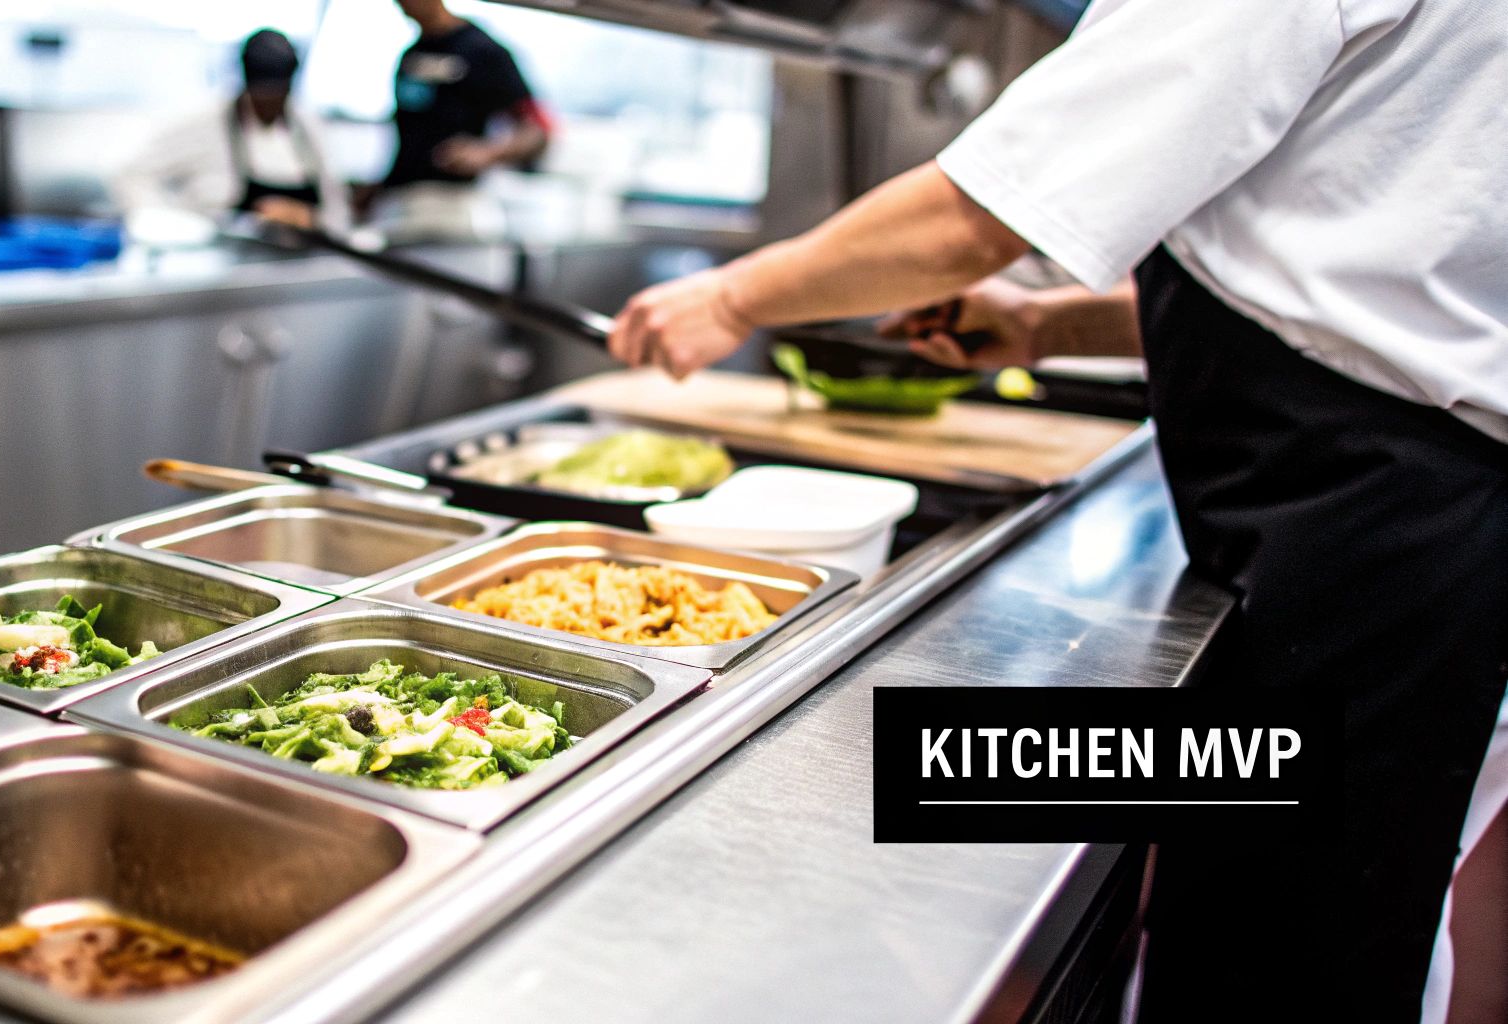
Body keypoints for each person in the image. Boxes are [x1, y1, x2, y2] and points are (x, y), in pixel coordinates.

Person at [605, 1, 1508, 1020]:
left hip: (1366, 548)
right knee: (1329, 912)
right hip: (1401, 527)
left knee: (1288, 951)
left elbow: (976, 217)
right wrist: (1045, 327)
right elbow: (1352, 256)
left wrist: (728, 300)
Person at [110, 28, 349, 238]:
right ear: (246, 85)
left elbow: (337, 206)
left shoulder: (308, 128)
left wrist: (311, 219)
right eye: (261, 96)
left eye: (278, 96)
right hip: (221, 268)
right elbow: (131, 174)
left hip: (301, 269)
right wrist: (174, 227)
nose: (270, 106)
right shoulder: (203, 123)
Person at [364, 0, 552, 226]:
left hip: (453, 203)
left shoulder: (483, 51)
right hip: (400, 200)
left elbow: (538, 130)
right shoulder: (411, 54)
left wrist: (488, 152)